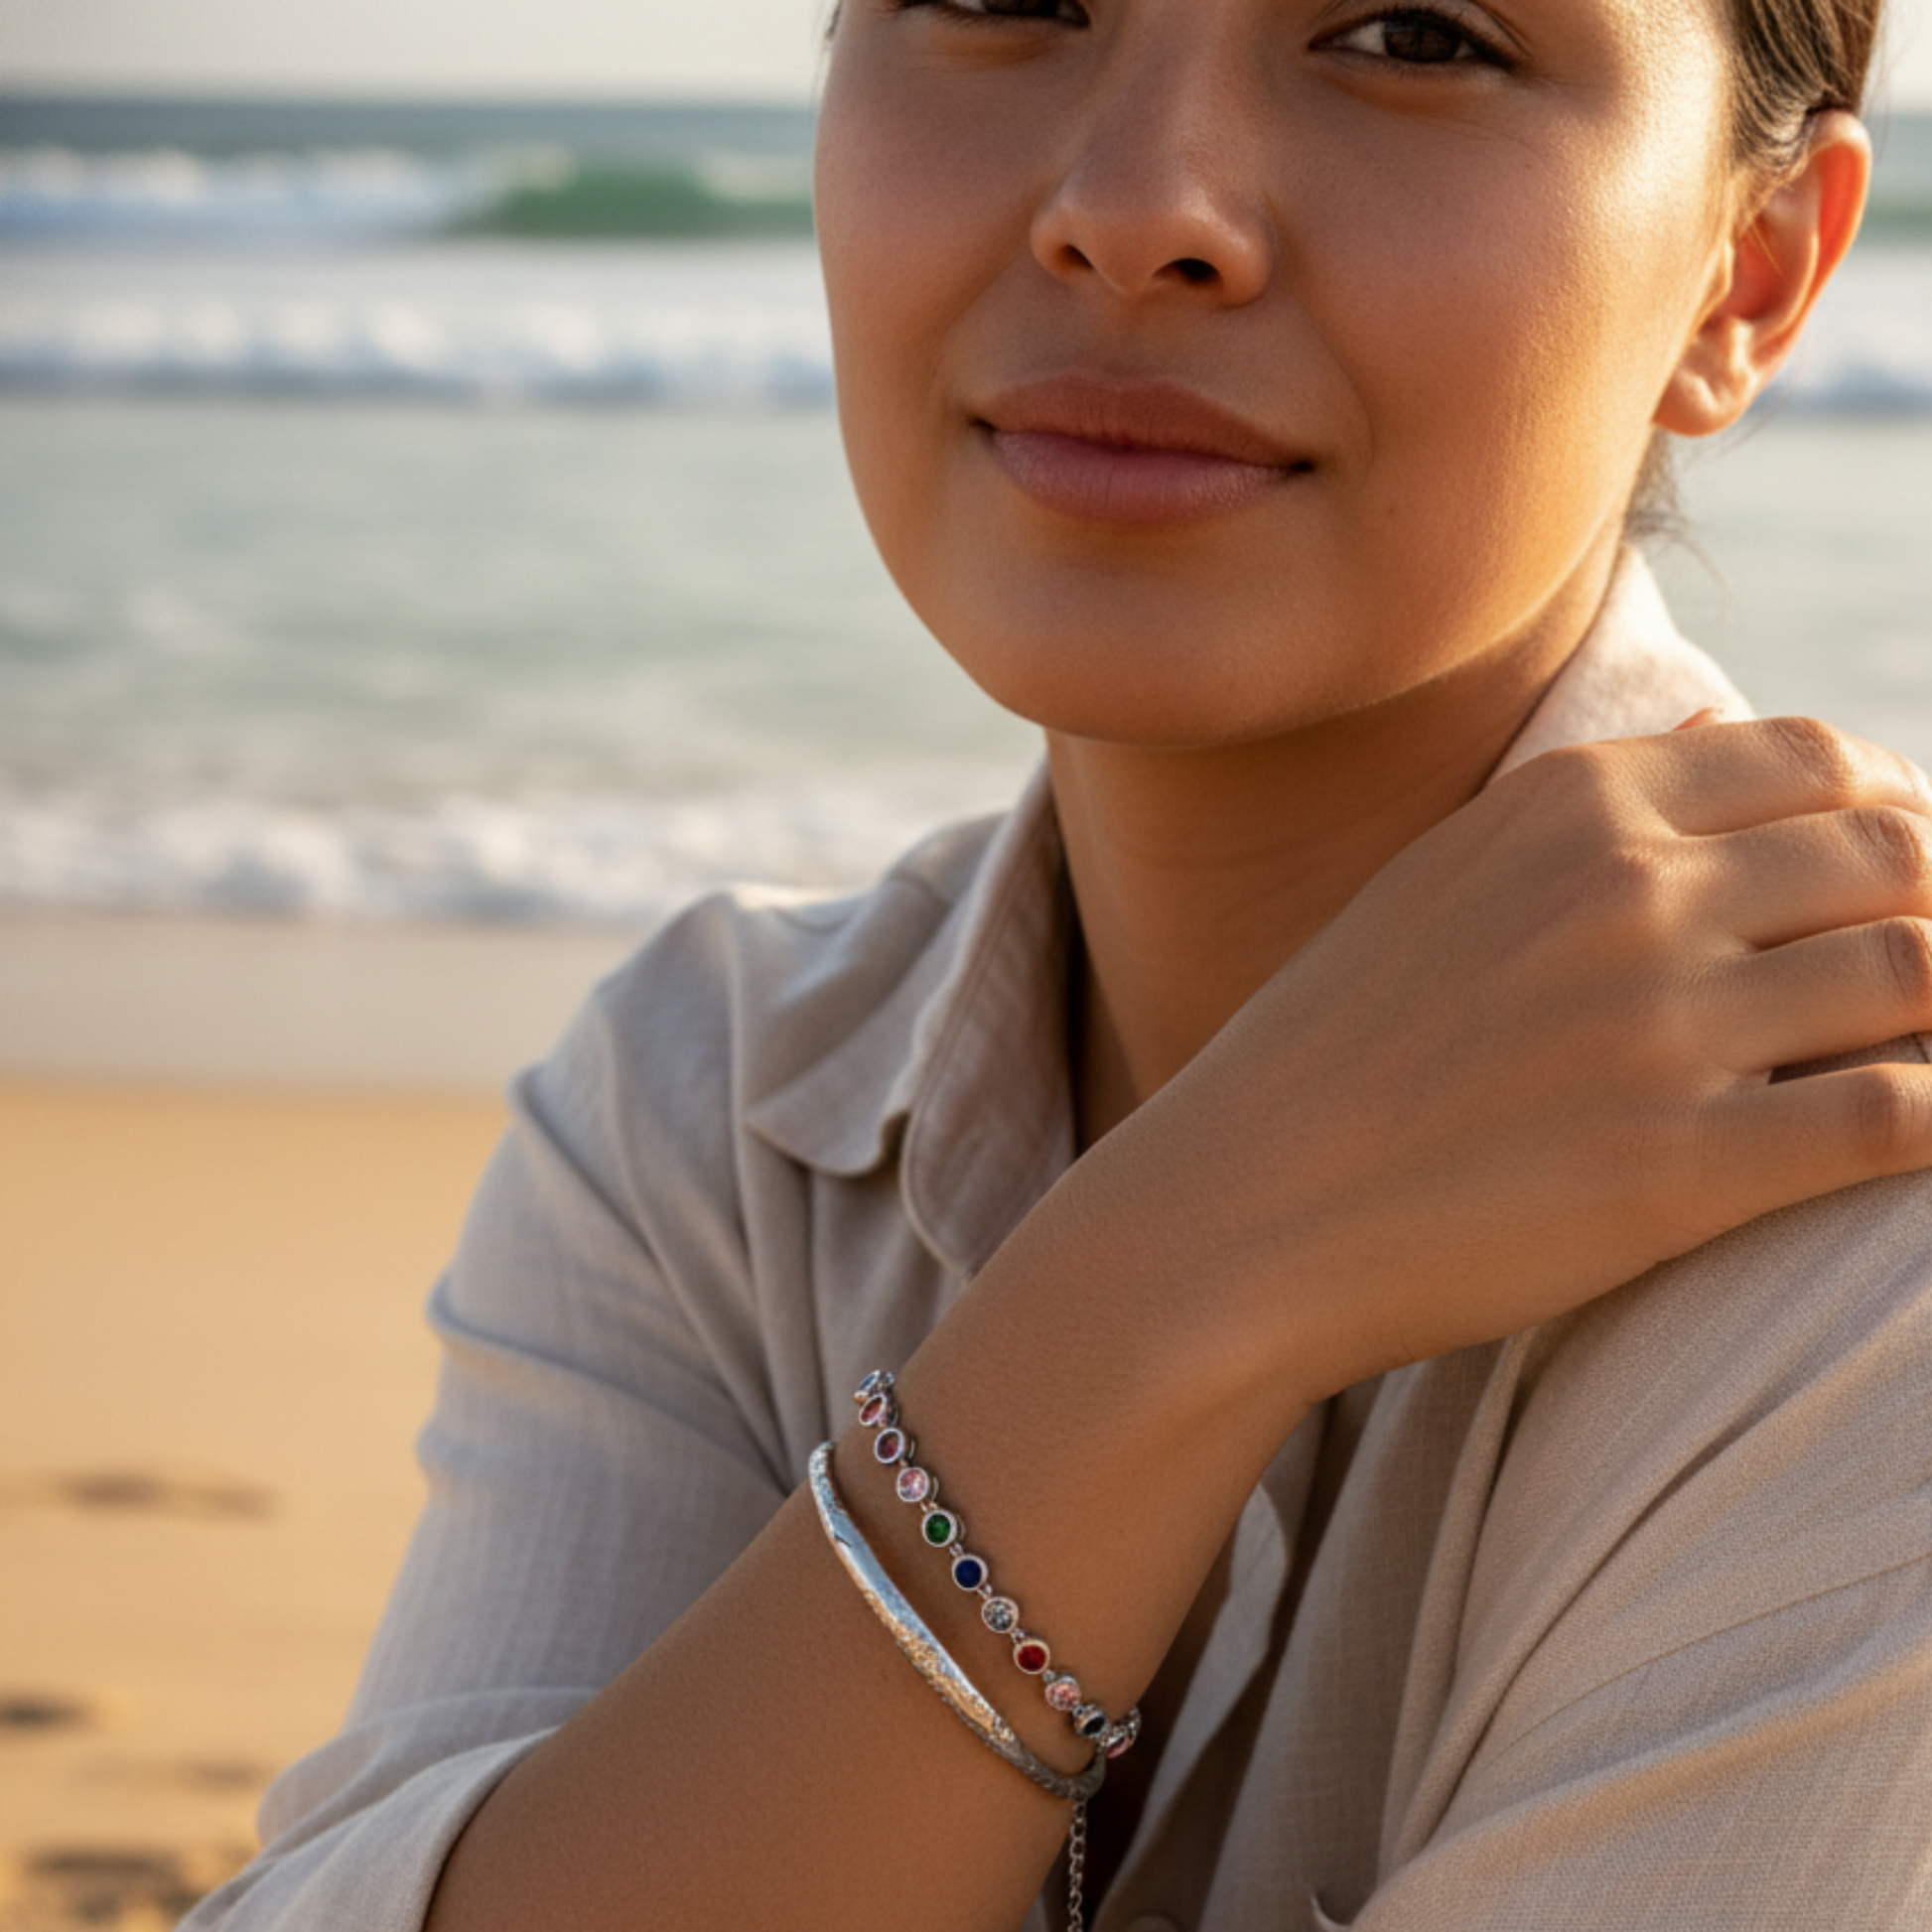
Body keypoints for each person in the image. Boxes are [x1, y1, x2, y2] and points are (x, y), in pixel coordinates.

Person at [186, 2, 1932, 1927]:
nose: (1133, 209)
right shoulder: (715, 1112)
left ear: (1748, 270)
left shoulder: (1878, 1218)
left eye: (1413, 31)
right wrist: (1184, 1265)